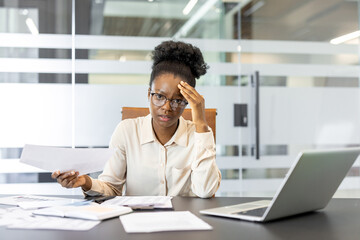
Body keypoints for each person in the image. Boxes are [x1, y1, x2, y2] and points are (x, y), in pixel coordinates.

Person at [52, 40, 221, 198]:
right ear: (149, 94)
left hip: (186, 223)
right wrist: (86, 182)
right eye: (159, 96)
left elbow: (205, 191)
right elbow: (112, 188)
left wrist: (200, 120)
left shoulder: (199, 135)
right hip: (136, 222)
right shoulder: (127, 131)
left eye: (177, 100)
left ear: (187, 102)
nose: (167, 107)